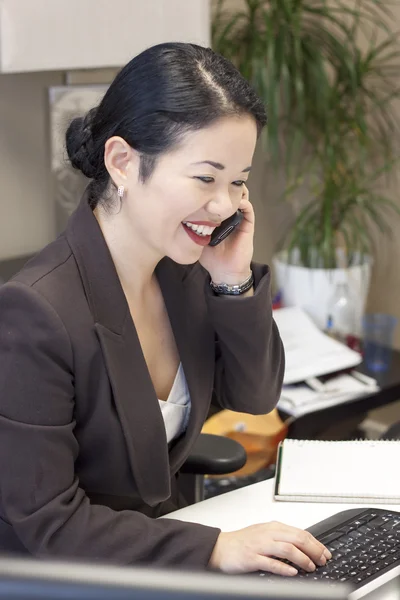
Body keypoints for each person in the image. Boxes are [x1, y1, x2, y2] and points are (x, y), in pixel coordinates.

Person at [0, 42, 330, 575]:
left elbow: (254, 394)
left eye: (238, 181)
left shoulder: (187, 272)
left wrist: (233, 281)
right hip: (60, 575)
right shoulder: (34, 312)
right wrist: (214, 548)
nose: (224, 205)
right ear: (123, 162)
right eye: (205, 177)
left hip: (157, 555)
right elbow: (51, 522)